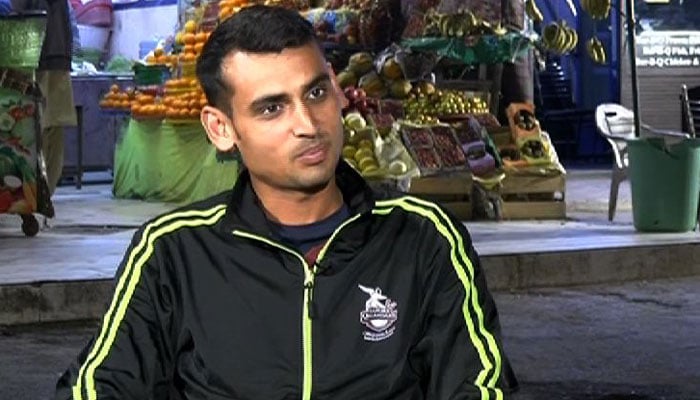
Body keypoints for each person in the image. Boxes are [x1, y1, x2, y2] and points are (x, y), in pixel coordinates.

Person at [55, 5, 518, 399]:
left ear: (336, 88)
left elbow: (480, 387)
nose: (308, 125)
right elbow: (97, 387)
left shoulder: (423, 239)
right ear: (221, 129)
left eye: (316, 93)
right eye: (271, 108)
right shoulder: (173, 252)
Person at [10, 0, 77, 198]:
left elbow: (17, 12)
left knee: (40, 127)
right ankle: (43, 190)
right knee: (51, 127)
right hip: (55, 56)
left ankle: (38, 190)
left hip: (41, 58)